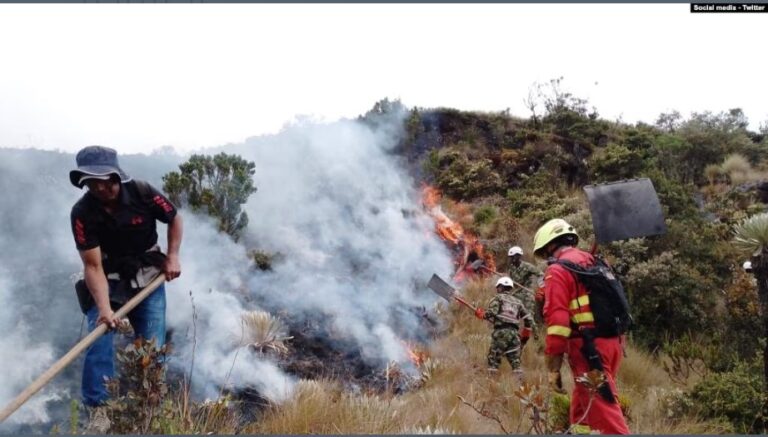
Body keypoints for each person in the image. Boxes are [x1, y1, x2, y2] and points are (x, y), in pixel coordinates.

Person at [69, 145, 183, 433]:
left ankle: (150, 405)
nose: (100, 187)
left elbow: (174, 218)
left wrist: (173, 256)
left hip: (147, 274)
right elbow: (93, 267)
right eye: (92, 181)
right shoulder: (83, 212)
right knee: (99, 339)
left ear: (117, 175)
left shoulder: (143, 193)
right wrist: (106, 311)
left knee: (152, 346)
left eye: (105, 180)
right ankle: (99, 411)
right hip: (110, 278)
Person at [533, 218, 629, 435]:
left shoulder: (557, 270)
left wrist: (553, 368)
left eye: (545, 253)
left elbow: (558, 324)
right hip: (613, 343)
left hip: (589, 350)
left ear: (550, 246)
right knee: (582, 406)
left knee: (604, 411)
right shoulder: (593, 262)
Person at [475, 276, 533, 383]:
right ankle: (521, 387)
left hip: (501, 333)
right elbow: (528, 319)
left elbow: (492, 312)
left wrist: (482, 314)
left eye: (498, 288)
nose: (497, 290)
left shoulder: (498, 298)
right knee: (515, 361)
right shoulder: (518, 302)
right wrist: (526, 335)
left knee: (494, 359)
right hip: (515, 335)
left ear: (500, 287)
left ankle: (491, 386)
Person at [508, 245, 543, 323]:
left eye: (512, 256)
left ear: (517, 256)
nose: (510, 259)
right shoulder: (511, 268)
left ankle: (534, 331)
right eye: (510, 257)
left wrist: (541, 287)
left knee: (529, 315)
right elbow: (512, 282)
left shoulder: (527, 266)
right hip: (517, 292)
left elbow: (540, 274)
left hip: (527, 292)